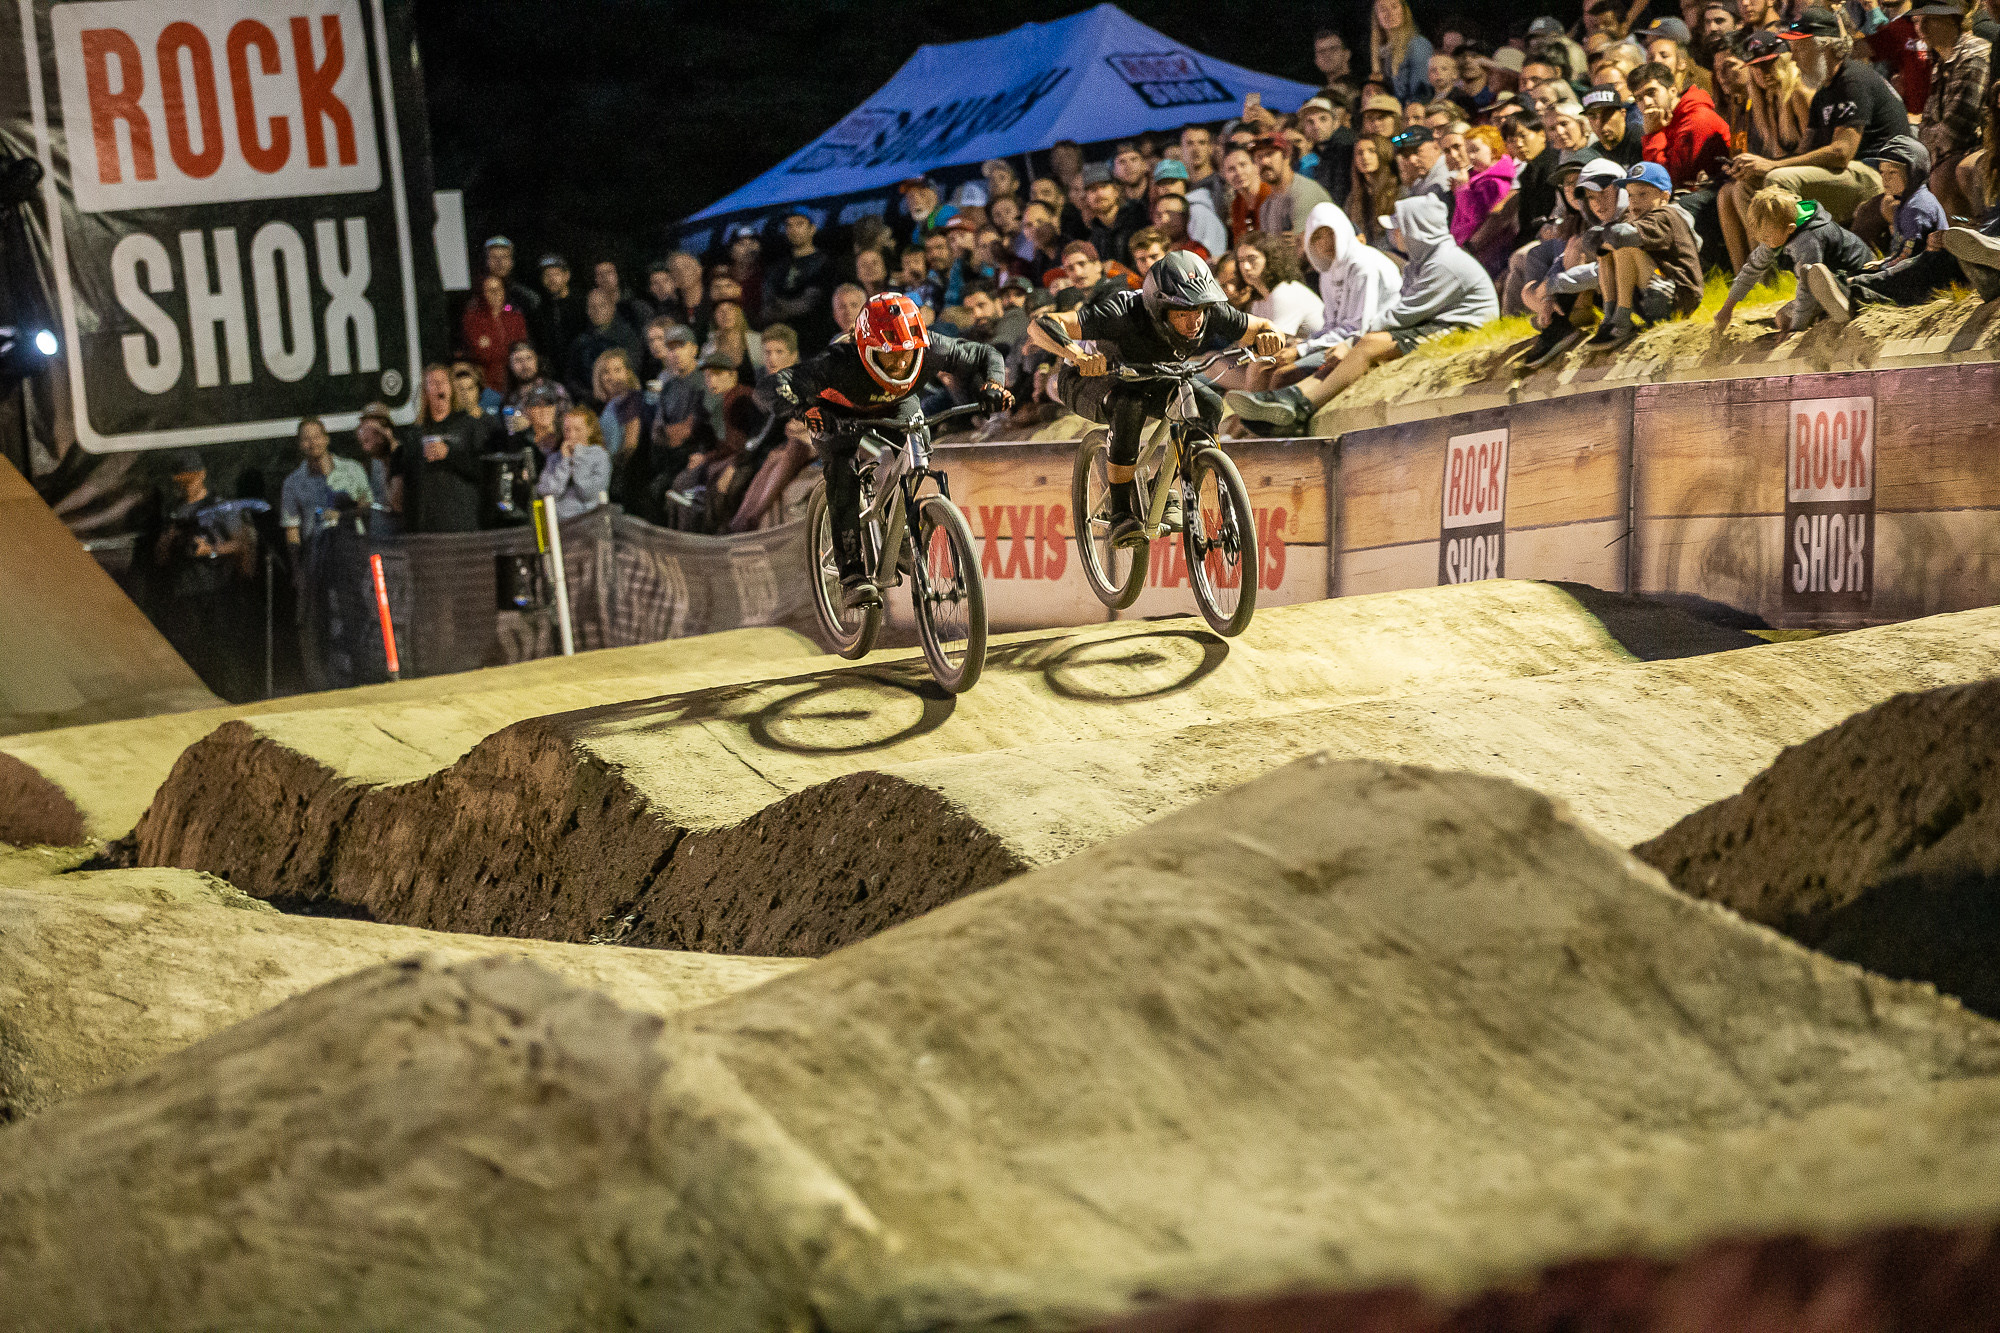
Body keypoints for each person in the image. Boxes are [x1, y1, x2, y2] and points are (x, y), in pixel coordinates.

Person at [1029, 253, 1285, 545]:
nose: (1194, 322)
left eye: (1199, 311)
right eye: (1182, 314)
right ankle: (1121, 513)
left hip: (1151, 375)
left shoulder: (1208, 310)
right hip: (1086, 377)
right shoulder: (1121, 312)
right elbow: (1041, 325)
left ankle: (1161, 487)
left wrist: (1271, 336)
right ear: (1158, 309)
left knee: (1209, 405)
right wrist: (1076, 354)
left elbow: (1263, 326)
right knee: (1130, 404)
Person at [774, 292, 1010, 606]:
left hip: (896, 403)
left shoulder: (931, 347)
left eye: (907, 353)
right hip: (837, 412)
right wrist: (803, 410)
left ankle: (900, 534)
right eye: (890, 355)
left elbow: (985, 354)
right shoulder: (838, 360)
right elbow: (776, 385)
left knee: (919, 452)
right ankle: (852, 574)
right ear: (867, 349)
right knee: (843, 475)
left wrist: (993, 384)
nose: (900, 363)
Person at [1227, 195, 1498, 434]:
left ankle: (1299, 406)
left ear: (1417, 230)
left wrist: (1347, 344)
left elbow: (1400, 315)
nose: (1393, 233)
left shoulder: (1443, 264)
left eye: (1399, 227)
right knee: (1353, 347)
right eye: (1316, 237)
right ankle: (1288, 402)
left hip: (1465, 331)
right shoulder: (1423, 262)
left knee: (1367, 345)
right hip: (1439, 325)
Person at [1753, 6, 1906, 239]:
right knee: (1747, 186)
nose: (1793, 58)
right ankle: (1765, 261)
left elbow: (1841, 153)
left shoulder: (1853, 80)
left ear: (1824, 48)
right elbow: (1805, 151)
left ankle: (1800, 255)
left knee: (1778, 179)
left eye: (1799, 49)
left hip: (1877, 175)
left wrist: (1773, 166)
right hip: (1849, 172)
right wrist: (1759, 166)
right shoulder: (1823, 92)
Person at [148, 450, 259, 700]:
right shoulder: (175, 511)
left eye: (191, 477)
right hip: (185, 591)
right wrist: (170, 538)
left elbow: (241, 544)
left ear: (202, 475)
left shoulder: (220, 507)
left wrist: (212, 550)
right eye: (182, 479)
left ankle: (232, 696)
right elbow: (160, 557)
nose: (187, 483)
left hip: (217, 590)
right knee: (192, 651)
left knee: (222, 649)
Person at [1808, 136, 1954, 316]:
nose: (1885, 179)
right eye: (1882, 172)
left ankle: (1848, 292)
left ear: (1913, 172)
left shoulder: (1917, 207)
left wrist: (1884, 266)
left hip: (1927, 277)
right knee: (1870, 273)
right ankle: (1838, 289)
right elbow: (1902, 252)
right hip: (1911, 265)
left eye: (1892, 173)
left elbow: (1912, 255)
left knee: (1881, 279)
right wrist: (1883, 263)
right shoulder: (1905, 203)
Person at [1264, 202, 1402, 387]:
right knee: (1267, 366)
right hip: (1344, 340)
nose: (1326, 242)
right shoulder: (1328, 271)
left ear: (1343, 230)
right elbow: (1332, 324)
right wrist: (1305, 344)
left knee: (1283, 376)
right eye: (1318, 237)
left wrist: (1302, 350)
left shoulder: (1364, 265)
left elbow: (1358, 327)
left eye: (1331, 233)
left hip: (1371, 341)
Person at [1714, 183, 1874, 332]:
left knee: (1783, 318)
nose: (1764, 242)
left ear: (1790, 228)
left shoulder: (1806, 241)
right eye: (1760, 237)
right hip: (1831, 278)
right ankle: (1829, 309)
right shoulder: (1778, 230)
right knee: (1787, 316)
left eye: (1767, 237)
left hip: (1858, 276)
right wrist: (1727, 309)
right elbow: (1752, 269)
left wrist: (1796, 328)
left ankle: (1846, 301)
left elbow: (1808, 286)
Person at [1582, 162, 1707, 348]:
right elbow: (1597, 240)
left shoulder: (1666, 215)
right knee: (1606, 252)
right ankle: (1610, 317)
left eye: (1643, 194)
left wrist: (1602, 236)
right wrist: (1601, 239)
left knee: (1624, 245)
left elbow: (1622, 235)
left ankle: (1622, 319)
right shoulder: (1635, 217)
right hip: (1651, 295)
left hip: (1678, 297)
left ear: (1664, 196)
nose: (1634, 201)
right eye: (1630, 195)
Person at [1721, 30, 1815, 269]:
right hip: (1788, 172)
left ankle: (1770, 269)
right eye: (1756, 67)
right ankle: (1754, 273)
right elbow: (1778, 155)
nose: (1764, 73)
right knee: (1733, 190)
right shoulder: (1766, 101)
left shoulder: (1799, 94)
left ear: (1784, 59)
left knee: (1753, 187)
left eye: (1769, 63)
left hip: (1812, 173)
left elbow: (1814, 153)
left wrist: (1769, 165)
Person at [1913, 1, 1990, 225]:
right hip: (1955, 150)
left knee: (1944, 175)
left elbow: (1957, 129)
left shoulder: (1972, 54)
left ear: (1951, 19)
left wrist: (1931, 154)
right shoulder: (1942, 62)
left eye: (1930, 19)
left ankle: (1968, 236)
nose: (1921, 28)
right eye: (1918, 21)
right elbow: (1927, 125)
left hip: (1981, 144)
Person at [397, 364, 483, 533]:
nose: (439, 386)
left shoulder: (469, 425)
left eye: (443, 381)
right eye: (433, 382)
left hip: (462, 521)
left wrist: (449, 454)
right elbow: (407, 479)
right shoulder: (414, 433)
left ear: (451, 388)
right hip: (426, 524)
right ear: (425, 392)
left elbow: (481, 470)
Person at [280, 416, 373, 551]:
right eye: (306, 439)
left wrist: (344, 515)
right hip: (316, 551)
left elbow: (368, 506)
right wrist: (297, 561)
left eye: (317, 437)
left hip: (353, 547)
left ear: (326, 439)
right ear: (299, 444)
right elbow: (291, 528)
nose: (312, 443)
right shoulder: (293, 482)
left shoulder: (353, 469)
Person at [1452, 125, 1521, 273]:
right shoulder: (1478, 178)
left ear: (1494, 149)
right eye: (1468, 151)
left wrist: (1463, 188)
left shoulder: (1493, 183)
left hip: (1482, 251)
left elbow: (1476, 216)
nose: (1471, 156)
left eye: (1475, 150)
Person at [763, 211, 836, 351]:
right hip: (783, 344)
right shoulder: (778, 267)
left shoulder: (824, 264)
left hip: (815, 341)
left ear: (812, 229)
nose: (793, 230)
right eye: (789, 225)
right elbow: (767, 307)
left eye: (799, 224)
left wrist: (781, 306)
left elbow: (809, 303)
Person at [1233, 232, 1326, 336]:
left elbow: (1274, 342)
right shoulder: (1258, 302)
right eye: (1241, 260)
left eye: (1252, 259)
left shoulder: (1285, 293)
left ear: (1270, 259)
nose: (1245, 267)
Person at [535, 405, 612, 520]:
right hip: (559, 520)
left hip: (589, 520)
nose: (571, 435)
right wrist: (564, 462)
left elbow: (588, 494)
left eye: (577, 429)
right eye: (567, 429)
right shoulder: (555, 458)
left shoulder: (600, 456)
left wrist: (578, 458)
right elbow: (546, 492)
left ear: (590, 430)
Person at [566, 289, 642, 404]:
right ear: (588, 311)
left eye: (602, 305)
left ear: (612, 308)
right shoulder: (580, 342)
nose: (597, 311)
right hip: (591, 402)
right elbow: (572, 378)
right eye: (592, 307)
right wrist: (591, 396)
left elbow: (632, 370)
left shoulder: (627, 337)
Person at [1254, 135, 1336, 236]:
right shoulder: (1266, 206)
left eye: (1270, 154)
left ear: (1287, 156)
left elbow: (1301, 243)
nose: (1264, 161)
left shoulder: (1304, 192)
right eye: (1259, 157)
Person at [461, 274, 528, 392]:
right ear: (482, 293)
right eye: (490, 290)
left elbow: (521, 347)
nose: (495, 293)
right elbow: (479, 354)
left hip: (515, 381)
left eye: (498, 289)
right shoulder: (473, 319)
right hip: (487, 384)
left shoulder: (515, 317)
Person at [1373, 0, 1437, 104]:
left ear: (1404, 11)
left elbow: (1422, 93)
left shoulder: (1418, 45)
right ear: (1377, 16)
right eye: (1383, 9)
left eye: (1394, 7)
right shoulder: (1382, 50)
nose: (1389, 13)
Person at [1348, 133, 1404, 245]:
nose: (1365, 157)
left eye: (1371, 151)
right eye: (1359, 153)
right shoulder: (1353, 197)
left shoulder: (1399, 192)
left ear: (1383, 153)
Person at [530, 255, 585, 364]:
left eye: (556, 274)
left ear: (567, 276)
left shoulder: (582, 304)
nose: (552, 279)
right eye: (547, 275)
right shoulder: (540, 310)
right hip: (553, 368)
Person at [1582, 85, 1648, 167]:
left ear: (1623, 114)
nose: (1599, 122)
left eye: (1607, 114)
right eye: (1592, 116)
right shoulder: (1594, 153)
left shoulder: (1642, 141)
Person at [1392, 126, 1455, 210]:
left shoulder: (1446, 178)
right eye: (1406, 155)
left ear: (1436, 146)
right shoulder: (1421, 180)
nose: (1412, 160)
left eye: (1417, 151)